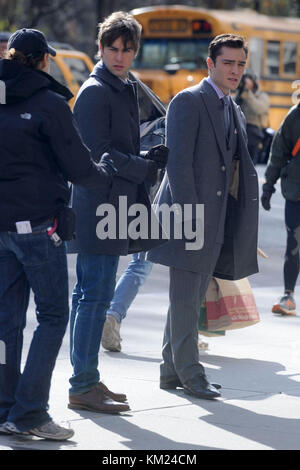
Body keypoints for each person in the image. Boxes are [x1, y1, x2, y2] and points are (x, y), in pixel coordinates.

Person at [0, 28, 116, 440]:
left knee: (7, 320)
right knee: (52, 316)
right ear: (44, 60)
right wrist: (105, 173)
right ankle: (30, 412)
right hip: (37, 228)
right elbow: (79, 168)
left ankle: (3, 407)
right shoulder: (49, 104)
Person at [148, 34, 259, 399]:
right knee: (184, 300)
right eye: (228, 63)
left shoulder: (233, 108)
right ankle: (192, 374)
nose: (235, 70)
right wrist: (190, 218)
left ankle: (170, 371)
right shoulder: (188, 101)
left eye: (240, 64)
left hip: (215, 219)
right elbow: (178, 166)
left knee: (190, 298)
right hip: (187, 217)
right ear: (210, 64)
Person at [67, 11, 168, 413]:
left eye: (127, 49)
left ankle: (86, 378)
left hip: (113, 204)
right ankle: (82, 384)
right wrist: (145, 165)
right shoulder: (96, 90)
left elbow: (116, 148)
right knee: (94, 296)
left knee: (91, 295)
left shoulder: (122, 86)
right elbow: (98, 155)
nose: (120, 56)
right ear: (100, 47)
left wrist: (146, 154)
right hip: (98, 208)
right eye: (113, 48)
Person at [261, 103, 300, 315]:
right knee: (294, 245)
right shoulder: (295, 116)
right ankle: (288, 295)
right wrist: (268, 187)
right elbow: (278, 152)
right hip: (296, 192)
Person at [234, 71, 269, 165]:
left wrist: (247, 93)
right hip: (238, 132)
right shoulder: (240, 95)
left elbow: (259, 109)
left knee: (249, 166)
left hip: (253, 135)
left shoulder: (262, 96)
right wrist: (241, 92)